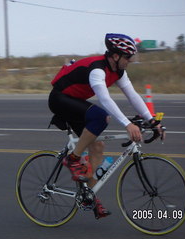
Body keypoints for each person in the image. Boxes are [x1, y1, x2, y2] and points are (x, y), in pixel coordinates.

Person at [48, 33, 161, 219]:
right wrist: (127, 124)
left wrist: (153, 121)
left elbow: (133, 96)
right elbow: (104, 99)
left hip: (75, 101)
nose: (129, 61)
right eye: (127, 57)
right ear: (115, 56)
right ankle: (73, 158)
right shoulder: (97, 70)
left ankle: (89, 196)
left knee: (98, 146)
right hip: (60, 99)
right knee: (102, 117)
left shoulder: (118, 71)